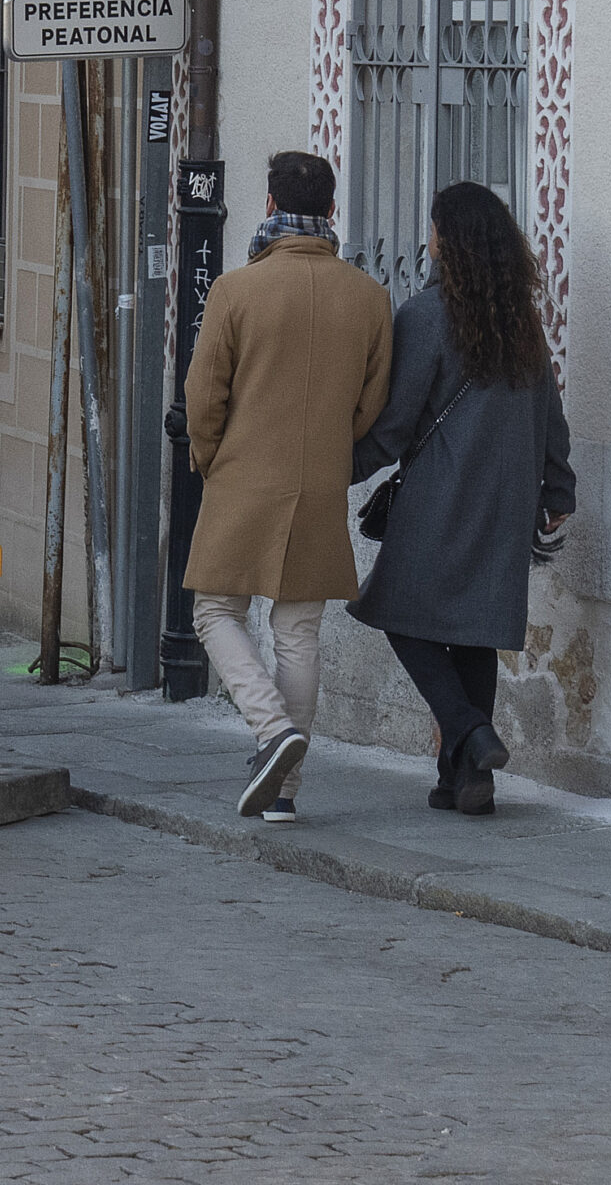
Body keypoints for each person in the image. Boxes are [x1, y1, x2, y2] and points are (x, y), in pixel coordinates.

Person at [182, 150, 394, 822]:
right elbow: (371, 405)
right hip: (321, 480)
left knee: (216, 611)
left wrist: (210, 458)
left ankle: (272, 730)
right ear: (332, 210)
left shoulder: (236, 291)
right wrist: (330, 454)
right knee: (298, 630)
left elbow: (202, 396)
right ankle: (285, 792)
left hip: (241, 474)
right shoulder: (370, 297)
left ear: (270, 205)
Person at [350, 182, 574, 815]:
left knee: (395, 611)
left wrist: (340, 467)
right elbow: (551, 416)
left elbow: (394, 427)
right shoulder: (521, 322)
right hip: (507, 502)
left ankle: (471, 729)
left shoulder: (425, 316)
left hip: (439, 498)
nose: (427, 239)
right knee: (475, 633)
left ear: (448, 242)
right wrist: (558, 488)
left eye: (433, 229)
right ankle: (468, 781)